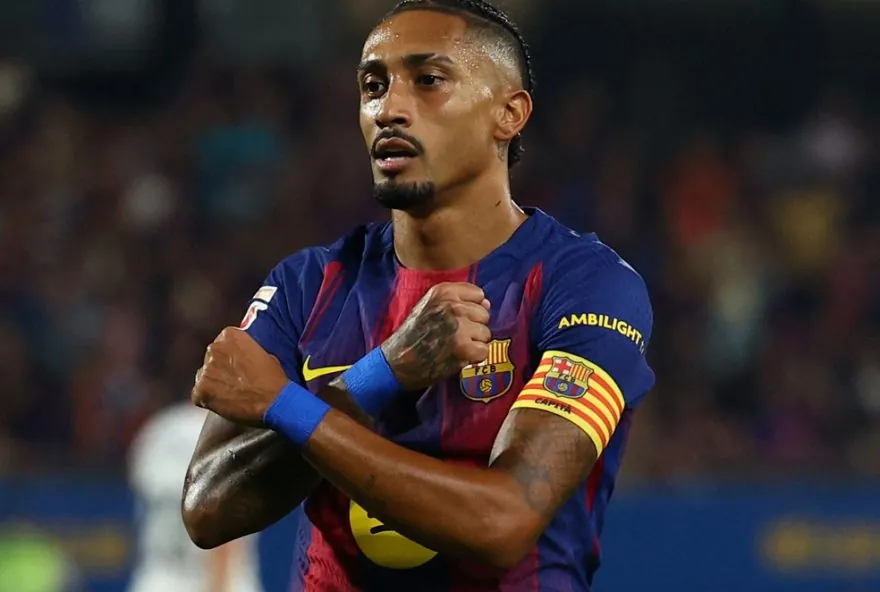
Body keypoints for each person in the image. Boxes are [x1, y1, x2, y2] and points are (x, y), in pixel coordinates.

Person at [182, 0, 655, 590]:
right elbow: (208, 508)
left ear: (508, 114)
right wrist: (378, 376)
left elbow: (503, 522)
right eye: (373, 86)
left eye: (428, 80)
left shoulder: (584, 284)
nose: (389, 109)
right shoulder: (307, 285)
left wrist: (286, 403)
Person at [128, 402, 263, 592]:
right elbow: (224, 523)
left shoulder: (157, 431)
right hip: (222, 580)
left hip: (158, 578)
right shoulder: (237, 428)